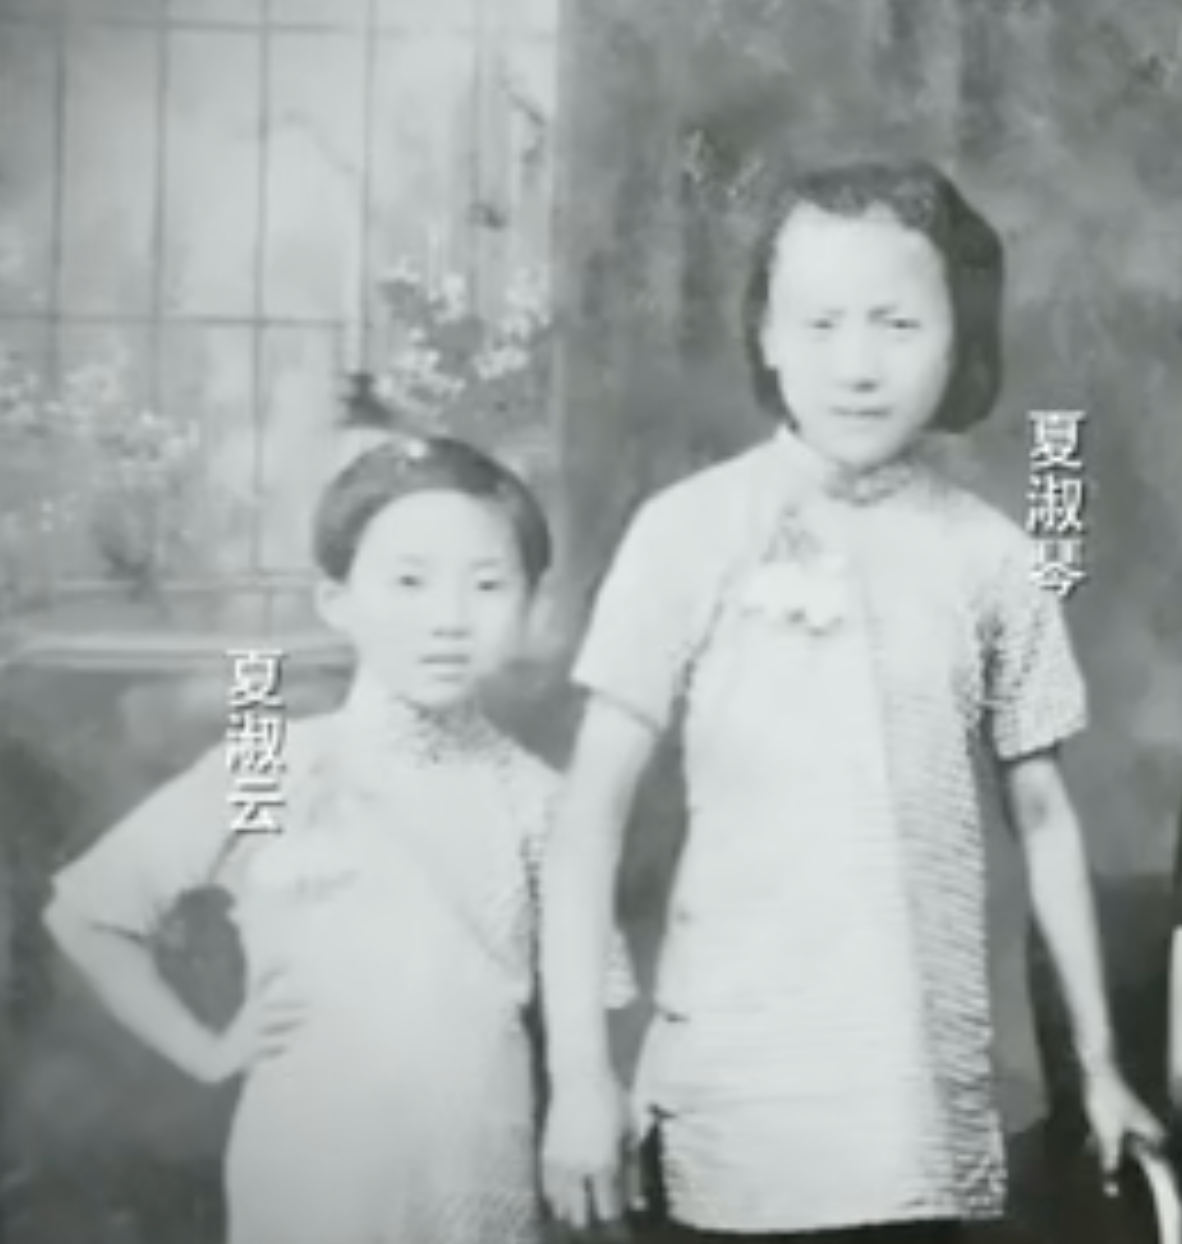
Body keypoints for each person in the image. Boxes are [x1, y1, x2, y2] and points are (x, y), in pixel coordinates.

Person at [539, 159, 1161, 1243]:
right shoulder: (690, 528)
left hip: (920, 1092)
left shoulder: (991, 556)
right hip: (735, 1080)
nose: (858, 366)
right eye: (820, 323)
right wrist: (581, 1074)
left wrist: (1099, 1066)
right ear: (768, 336)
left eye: (898, 324)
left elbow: (1045, 816)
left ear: (959, 339)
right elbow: (586, 819)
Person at [43, 436, 634, 1244]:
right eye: (409, 582)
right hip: (309, 1171)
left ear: (530, 606)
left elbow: (589, 998)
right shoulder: (271, 758)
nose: (448, 620)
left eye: (488, 585)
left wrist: (586, 1100)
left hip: (478, 1169)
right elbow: (85, 915)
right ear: (337, 599)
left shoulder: (539, 799)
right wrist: (206, 1052)